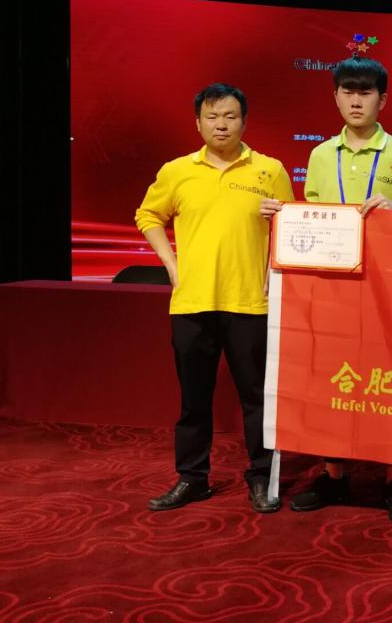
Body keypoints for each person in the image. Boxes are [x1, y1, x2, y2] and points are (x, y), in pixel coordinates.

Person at [261, 55, 392, 522]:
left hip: (388, 289)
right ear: (335, 97)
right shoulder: (320, 155)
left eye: (366, 92)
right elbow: (311, 216)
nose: (357, 101)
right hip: (332, 289)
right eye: (348, 92)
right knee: (332, 379)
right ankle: (334, 474)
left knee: (390, 379)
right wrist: (281, 215)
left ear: (383, 100)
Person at [136, 82, 294, 513]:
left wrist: (274, 257)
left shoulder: (269, 170)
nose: (221, 124)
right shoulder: (177, 171)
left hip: (250, 301)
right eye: (212, 116)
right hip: (192, 302)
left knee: (257, 399)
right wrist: (171, 263)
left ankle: (261, 478)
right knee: (193, 398)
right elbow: (148, 214)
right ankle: (192, 478)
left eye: (229, 116)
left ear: (244, 122)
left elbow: (291, 226)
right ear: (198, 123)